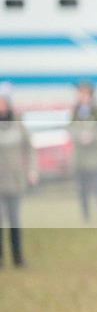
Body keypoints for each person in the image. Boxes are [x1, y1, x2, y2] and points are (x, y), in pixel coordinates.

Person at [0, 88, 38, 268]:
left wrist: (32, 170)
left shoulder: (18, 125)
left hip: (14, 180)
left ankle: (18, 258)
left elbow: (29, 149)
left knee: (14, 220)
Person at [68, 80, 97, 222]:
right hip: (80, 158)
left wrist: (92, 137)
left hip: (95, 158)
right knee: (82, 190)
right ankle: (85, 216)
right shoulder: (75, 111)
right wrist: (79, 137)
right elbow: (70, 129)